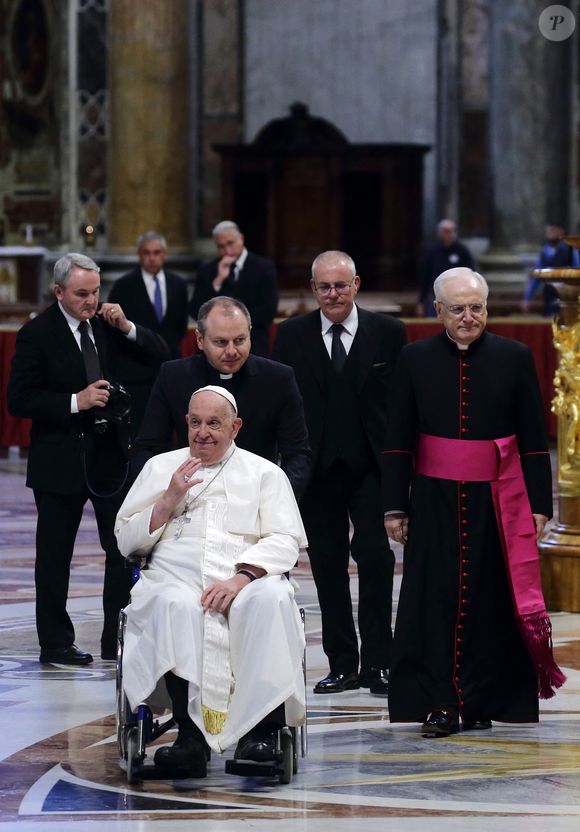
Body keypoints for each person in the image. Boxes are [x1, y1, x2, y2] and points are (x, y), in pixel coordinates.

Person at [382, 267, 565, 738]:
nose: (469, 317)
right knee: (434, 599)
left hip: (497, 500)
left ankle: (482, 698)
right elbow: (399, 438)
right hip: (432, 500)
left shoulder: (515, 356)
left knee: (491, 599)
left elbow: (533, 439)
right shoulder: (414, 358)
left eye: (477, 307)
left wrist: (539, 504)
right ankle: (439, 701)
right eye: (458, 308)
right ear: (437, 310)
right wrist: (394, 506)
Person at [115, 386, 307, 776]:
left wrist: (242, 579)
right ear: (186, 423)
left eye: (214, 424)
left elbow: (285, 539)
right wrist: (167, 500)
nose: (203, 432)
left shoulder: (265, 473)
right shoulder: (160, 468)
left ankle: (262, 735)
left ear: (235, 427)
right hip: (175, 579)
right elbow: (124, 540)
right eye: (195, 422)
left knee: (270, 601)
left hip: (246, 580)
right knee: (175, 604)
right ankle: (190, 739)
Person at [7, 253, 170, 664]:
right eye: (81, 294)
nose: (90, 301)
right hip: (59, 460)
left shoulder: (105, 325)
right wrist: (74, 402)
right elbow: (18, 400)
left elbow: (160, 354)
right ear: (58, 292)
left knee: (121, 549)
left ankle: (114, 638)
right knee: (54, 555)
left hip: (108, 457)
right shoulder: (36, 334)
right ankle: (56, 643)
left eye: (96, 291)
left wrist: (128, 326)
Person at [273, 250, 406, 695]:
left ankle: (379, 665)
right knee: (328, 568)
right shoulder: (291, 335)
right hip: (318, 471)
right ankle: (343, 664)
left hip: (372, 469)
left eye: (341, 285)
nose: (333, 294)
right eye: (324, 286)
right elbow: (283, 407)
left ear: (357, 285)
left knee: (375, 559)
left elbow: (402, 407)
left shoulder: (389, 333)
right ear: (313, 289)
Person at [133, 296, 311, 498]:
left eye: (240, 340)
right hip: (190, 496)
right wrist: (166, 496)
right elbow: (147, 448)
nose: (232, 351)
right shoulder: (173, 376)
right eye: (220, 342)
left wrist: (276, 499)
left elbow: (298, 454)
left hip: (256, 495)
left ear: (250, 334)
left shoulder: (278, 379)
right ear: (200, 339)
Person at [107, 231, 189, 436]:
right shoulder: (124, 285)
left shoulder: (178, 284)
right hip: (136, 371)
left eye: (157, 252)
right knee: (140, 431)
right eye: (147, 253)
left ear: (165, 254)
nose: (152, 258)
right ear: (139, 254)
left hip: (170, 367)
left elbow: (179, 325)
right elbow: (116, 331)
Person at [189, 220, 278, 357]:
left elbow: (268, 311)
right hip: (214, 351)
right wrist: (217, 282)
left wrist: (232, 322)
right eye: (221, 246)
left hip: (254, 347)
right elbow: (195, 310)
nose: (227, 251)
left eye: (230, 243)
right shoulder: (207, 270)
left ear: (241, 239)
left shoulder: (264, 268)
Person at [416, 219, 475, 317]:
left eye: (452, 231)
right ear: (440, 233)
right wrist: (421, 301)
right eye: (446, 231)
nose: (449, 235)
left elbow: (471, 275)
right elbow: (425, 278)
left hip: (457, 296)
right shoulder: (432, 252)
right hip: (436, 296)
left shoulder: (462, 251)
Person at [520, 223, 580, 316]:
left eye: (553, 230)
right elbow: (537, 275)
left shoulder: (570, 249)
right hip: (549, 294)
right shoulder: (545, 250)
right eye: (548, 230)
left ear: (561, 232)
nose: (550, 233)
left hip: (567, 295)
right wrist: (527, 298)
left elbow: (577, 271)